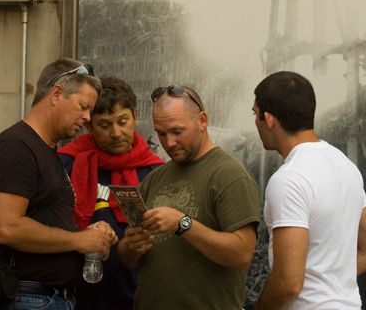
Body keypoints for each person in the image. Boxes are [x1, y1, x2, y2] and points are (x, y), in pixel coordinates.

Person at [0, 58, 118, 310]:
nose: (88, 118)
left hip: (48, 299)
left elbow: (46, 221)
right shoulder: (16, 147)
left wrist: (87, 236)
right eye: (83, 106)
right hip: (27, 298)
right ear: (56, 94)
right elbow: (8, 228)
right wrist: (79, 241)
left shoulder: (47, 152)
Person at [118, 84, 260, 310]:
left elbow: (242, 254)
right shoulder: (155, 178)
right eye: (161, 133)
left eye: (177, 131)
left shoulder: (230, 175)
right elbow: (127, 258)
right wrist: (132, 245)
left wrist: (182, 223)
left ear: (202, 121)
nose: (169, 142)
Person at [252, 70, 366, 310]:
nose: (255, 122)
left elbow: (288, 285)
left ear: (269, 119)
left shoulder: (289, 178)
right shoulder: (346, 167)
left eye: (255, 114)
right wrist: (329, 280)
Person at [58, 75, 164, 310]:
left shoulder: (156, 171)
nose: (116, 133)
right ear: (88, 124)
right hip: (72, 297)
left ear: (136, 116)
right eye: (105, 125)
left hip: (136, 297)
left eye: (122, 121)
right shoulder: (66, 163)